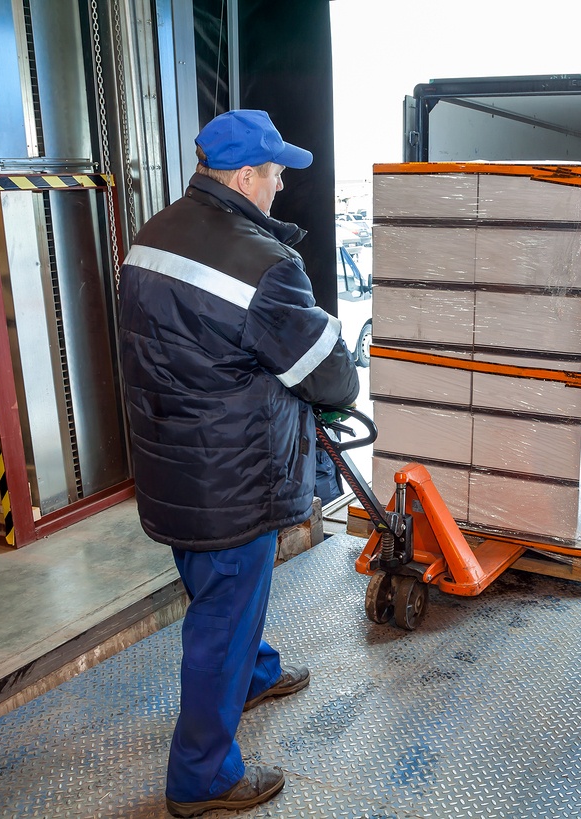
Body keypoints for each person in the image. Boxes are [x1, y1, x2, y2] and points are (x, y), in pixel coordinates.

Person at [118, 109, 359, 817]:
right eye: (277, 172)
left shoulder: (151, 235)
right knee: (221, 615)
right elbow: (328, 375)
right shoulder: (263, 264)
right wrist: (336, 376)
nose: (282, 185)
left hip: (172, 465)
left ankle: (253, 674)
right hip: (231, 476)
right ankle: (203, 779)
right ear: (246, 175)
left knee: (218, 595)